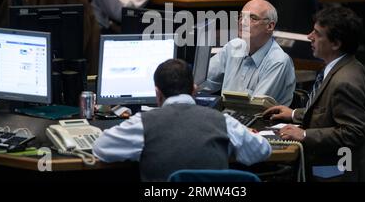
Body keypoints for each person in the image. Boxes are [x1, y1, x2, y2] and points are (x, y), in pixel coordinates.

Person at [93, 59, 271, 182]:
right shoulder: (222, 121)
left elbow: (101, 148)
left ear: (157, 93)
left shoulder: (143, 123)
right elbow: (262, 150)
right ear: (194, 90)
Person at [263, 6, 365, 181]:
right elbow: (328, 112)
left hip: (336, 172)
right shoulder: (344, 65)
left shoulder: (345, 81)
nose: (309, 37)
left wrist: (304, 134)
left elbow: (353, 132)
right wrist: (293, 114)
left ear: (336, 43)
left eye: (317, 33)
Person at [204, 0, 296, 106]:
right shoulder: (233, 47)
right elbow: (201, 83)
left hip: (258, 121)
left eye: (252, 18)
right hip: (229, 116)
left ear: (270, 26)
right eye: (241, 17)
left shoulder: (278, 62)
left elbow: (253, 108)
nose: (242, 22)